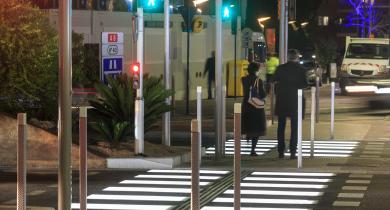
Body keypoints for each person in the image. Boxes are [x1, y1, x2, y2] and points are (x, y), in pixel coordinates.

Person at [273, 49, 308, 159]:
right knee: (295, 127)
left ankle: (280, 151)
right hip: (295, 100)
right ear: (297, 57)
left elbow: (273, 80)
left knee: (281, 126)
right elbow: (305, 84)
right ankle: (293, 151)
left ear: (288, 57)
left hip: (282, 99)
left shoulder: (280, 68)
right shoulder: (301, 69)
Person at [241, 62, 267, 156]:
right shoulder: (258, 80)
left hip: (246, 105)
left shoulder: (243, 79)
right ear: (257, 70)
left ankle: (248, 140)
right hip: (256, 106)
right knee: (256, 129)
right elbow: (263, 94)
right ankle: (253, 149)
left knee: (248, 126)